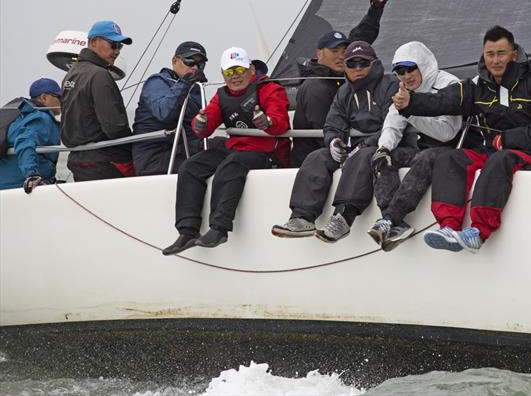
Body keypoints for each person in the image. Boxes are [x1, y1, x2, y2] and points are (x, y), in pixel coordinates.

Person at [396, 25, 531, 252]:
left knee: (499, 159)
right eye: (490, 54)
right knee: (450, 158)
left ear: (514, 54)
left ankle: (478, 232)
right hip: (495, 151)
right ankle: (449, 227)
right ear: (484, 55)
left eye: (501, 54)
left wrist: (508, 139)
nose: (495, 60)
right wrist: (411, 103)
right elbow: (443, 100)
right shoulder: (477, 85)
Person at [162, 47, 290, 255]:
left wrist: (266, 122)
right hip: (237, 148)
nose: (235, 76)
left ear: (250, 69)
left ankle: (219, 228)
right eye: (230, 72)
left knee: (231, 165)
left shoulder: (269, 89)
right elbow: (205, 124)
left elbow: (281, 123)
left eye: (239, 70)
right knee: (190, 166)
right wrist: (200, 123)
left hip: (266, 151)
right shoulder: (223, 95)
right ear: (223, 75)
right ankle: (188, 231)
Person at [272, 41, 397, 242]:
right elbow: (332, 123)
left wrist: (363, 146)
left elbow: (393, 126)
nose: (357, 69)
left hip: (385, 145)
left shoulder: (390, 85)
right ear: (345, 67)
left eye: (363, 63)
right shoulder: (345, 91)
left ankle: (343, 217)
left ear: (375, 64)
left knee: (363, 155)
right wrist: (334, 141)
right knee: (318, 156)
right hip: (356, 147)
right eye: (352, 64)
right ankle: (302, 217)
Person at [365, 41, 464, 251]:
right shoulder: (404, 89)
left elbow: (447, 133)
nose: (406, 75)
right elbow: (393, 124)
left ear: (424, 65)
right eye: (400, 71)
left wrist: (409, 111)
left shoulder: (449, 84)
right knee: (383, 157)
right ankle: (394, 224)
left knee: (425, 158)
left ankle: (391, 218)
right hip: (423, 148)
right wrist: (383, 149)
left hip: (453, 150)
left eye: (411, 68)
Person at [291, 0, 390, 166]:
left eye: (344, 52)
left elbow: (360, 37)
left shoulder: (339, 77)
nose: (341, 56)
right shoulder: (317, 87)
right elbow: (326, 133)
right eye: (334, 51)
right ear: (319, 54)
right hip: (315, 163)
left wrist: (376, 9)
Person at [60, 20, 134, 182]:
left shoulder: (71, 74)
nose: (117, 51)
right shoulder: (100, 75)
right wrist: (135, 145)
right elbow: (115, 126)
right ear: (94, 42)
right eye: (113, 44)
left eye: (120, 46)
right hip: (105, 162)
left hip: (78, 162)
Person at [131, 41, 208, 176]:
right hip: (154, 157)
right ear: (174, 61)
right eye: (190, 61)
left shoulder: (196, 92)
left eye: (200, 64)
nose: (195, 67)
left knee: (226, 147)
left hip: (181, 150)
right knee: (219, 148)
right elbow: (164, 112)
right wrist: (186, 83)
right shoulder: (156, 82)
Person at [0, 78, 62, 192]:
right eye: (59, 97)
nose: (63, 101)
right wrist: (31, 175)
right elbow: (24, 140)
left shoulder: (19, 117)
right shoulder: (41, 118)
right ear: (44, 97)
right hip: (19, 186)